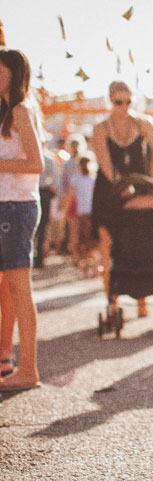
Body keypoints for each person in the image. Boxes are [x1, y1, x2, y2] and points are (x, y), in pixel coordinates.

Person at [90, 80, 153, 317]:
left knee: (140, 241)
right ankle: (111, 301)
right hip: (109, 192)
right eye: (118, 102)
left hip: (140, 190)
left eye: (128, 101)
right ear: (110, 101)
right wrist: (122, 187)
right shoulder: (101, 129)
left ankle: (141, 299)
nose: (124, 106)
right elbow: (105, 164)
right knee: (107, 244)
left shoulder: (144, 123)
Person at [0, 47, 45, 391]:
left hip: (15, 207)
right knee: (10, 289)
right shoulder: (12, 109)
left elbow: (36, 164)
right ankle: (14, 361)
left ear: (14, 73)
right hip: (11, 206)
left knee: (19, 289)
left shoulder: (19, 109)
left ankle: (28, 368)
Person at [61, 156, 98, 276]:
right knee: (90, 240)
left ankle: (83, 265)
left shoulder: (76, 178)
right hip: (91, 212)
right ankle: (93, 266)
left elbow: (70, 196)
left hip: (79, 212)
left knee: (78, 240)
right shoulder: (93, 178)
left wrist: (65, 213)